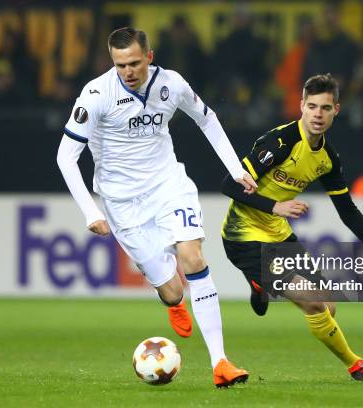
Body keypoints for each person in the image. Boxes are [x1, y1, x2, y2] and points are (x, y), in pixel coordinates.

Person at [56, 27, 255, 388]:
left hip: (169, 186)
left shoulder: (172, 83)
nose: (128, 71)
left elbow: (206, 118)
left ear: (149, 56)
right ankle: (174, 302)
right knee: (173, 290)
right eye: (120, 65)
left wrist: (235, 168)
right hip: (122, 204)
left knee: (193, 257)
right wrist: (91, 211)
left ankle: (220, 363)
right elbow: (66, 157)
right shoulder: (96, 94)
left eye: (134, 63)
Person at [220, 74, 363, 381]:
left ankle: (260, 286)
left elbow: (347, 210)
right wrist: (276, 206)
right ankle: (356, 365)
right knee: (314, 301)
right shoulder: (279, 143)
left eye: (325, 108)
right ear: (302, 106)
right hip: (244, 235)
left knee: (328, 307)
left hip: (278, 234)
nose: (318, 114)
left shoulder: (327, 158)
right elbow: (229, 184)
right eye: (313, 106)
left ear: (336, 111)